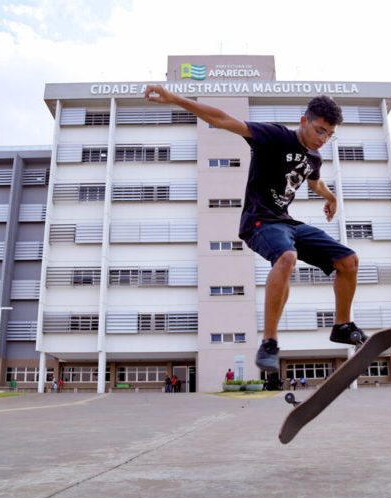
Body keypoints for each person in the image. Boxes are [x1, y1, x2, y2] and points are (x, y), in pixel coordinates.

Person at [144, 86, 368, 373]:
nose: (323, 139)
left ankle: (341, 325)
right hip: (259, 221)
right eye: (319, 131)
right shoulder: (275, 136)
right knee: (287, 258)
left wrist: (330, 197)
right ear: (304, 121)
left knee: (348, 260)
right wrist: (175, 99)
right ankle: (270, 343)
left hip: (286, 223)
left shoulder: (314, 158)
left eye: (329, 134)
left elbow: (314, 182)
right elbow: (224, 119)